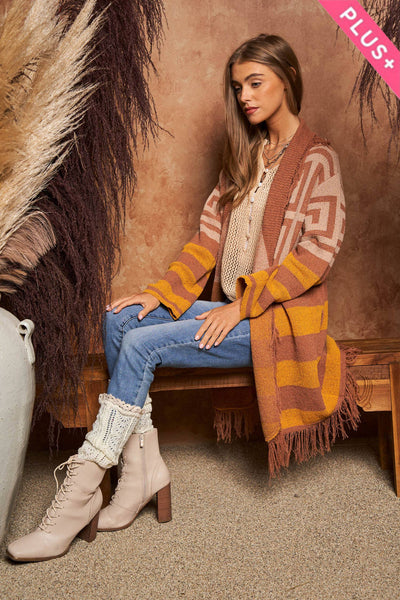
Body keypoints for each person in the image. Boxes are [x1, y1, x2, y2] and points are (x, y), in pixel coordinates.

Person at [7, 33, 359, 562]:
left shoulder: (317, 160)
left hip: (274, 322)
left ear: (288, 79)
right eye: (238, 87)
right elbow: (206, 243)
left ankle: (81, 490)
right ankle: (142, 474)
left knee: (142, 346)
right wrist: (159, 295)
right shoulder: (243, 157)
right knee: (122, 320)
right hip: (229, 311)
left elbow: (317, 254)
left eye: (255, 83)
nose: (244, 96)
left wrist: (241, 307)